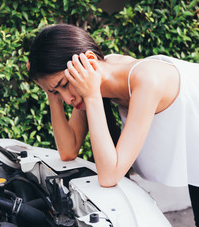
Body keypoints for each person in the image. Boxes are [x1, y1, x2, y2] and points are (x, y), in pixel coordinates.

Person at [27, 24, 199, 226]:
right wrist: (50, 91)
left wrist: (91, 97)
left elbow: (109, 175)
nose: (67, 99)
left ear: (89, 61)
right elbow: (68, 150)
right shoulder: (95, 76)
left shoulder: (147, 80)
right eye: (57, 92)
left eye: (64, 85)